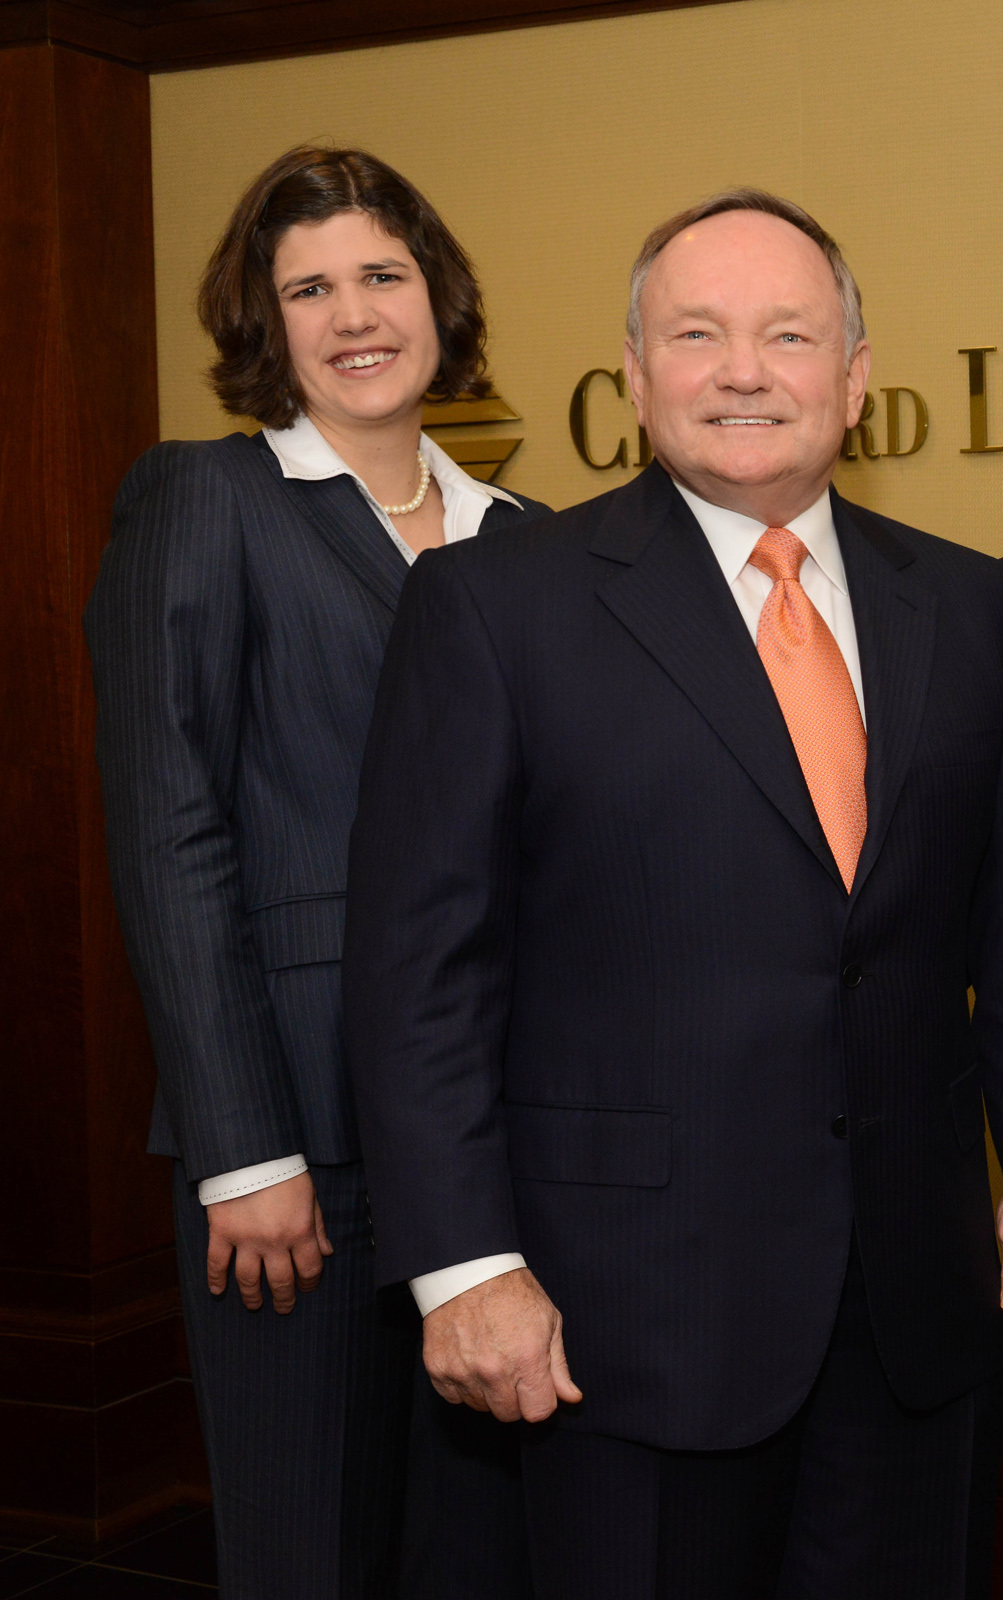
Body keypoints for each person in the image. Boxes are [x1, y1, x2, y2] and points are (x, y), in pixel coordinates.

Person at [341, 187, 1003, 1599]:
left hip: (914, 1312)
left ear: (854, 379)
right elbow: (416, 975)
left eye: (788, 335)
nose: (745, 371)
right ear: (635, 375)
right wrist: (464, 1266)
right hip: (623, 1317)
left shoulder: (971, 606)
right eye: (697, 334)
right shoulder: (495, 606)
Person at [83, 145, 548, 1598]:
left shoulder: (529, 543)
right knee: (312, 1553)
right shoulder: (206, 498)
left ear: (438, 297)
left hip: (505, 1141)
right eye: (309, 289)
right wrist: (244, 1150)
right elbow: (170, 825)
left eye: (382, 275)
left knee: (485, 1556)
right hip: (300, 1147)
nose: (354, 315)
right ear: (262, 321)